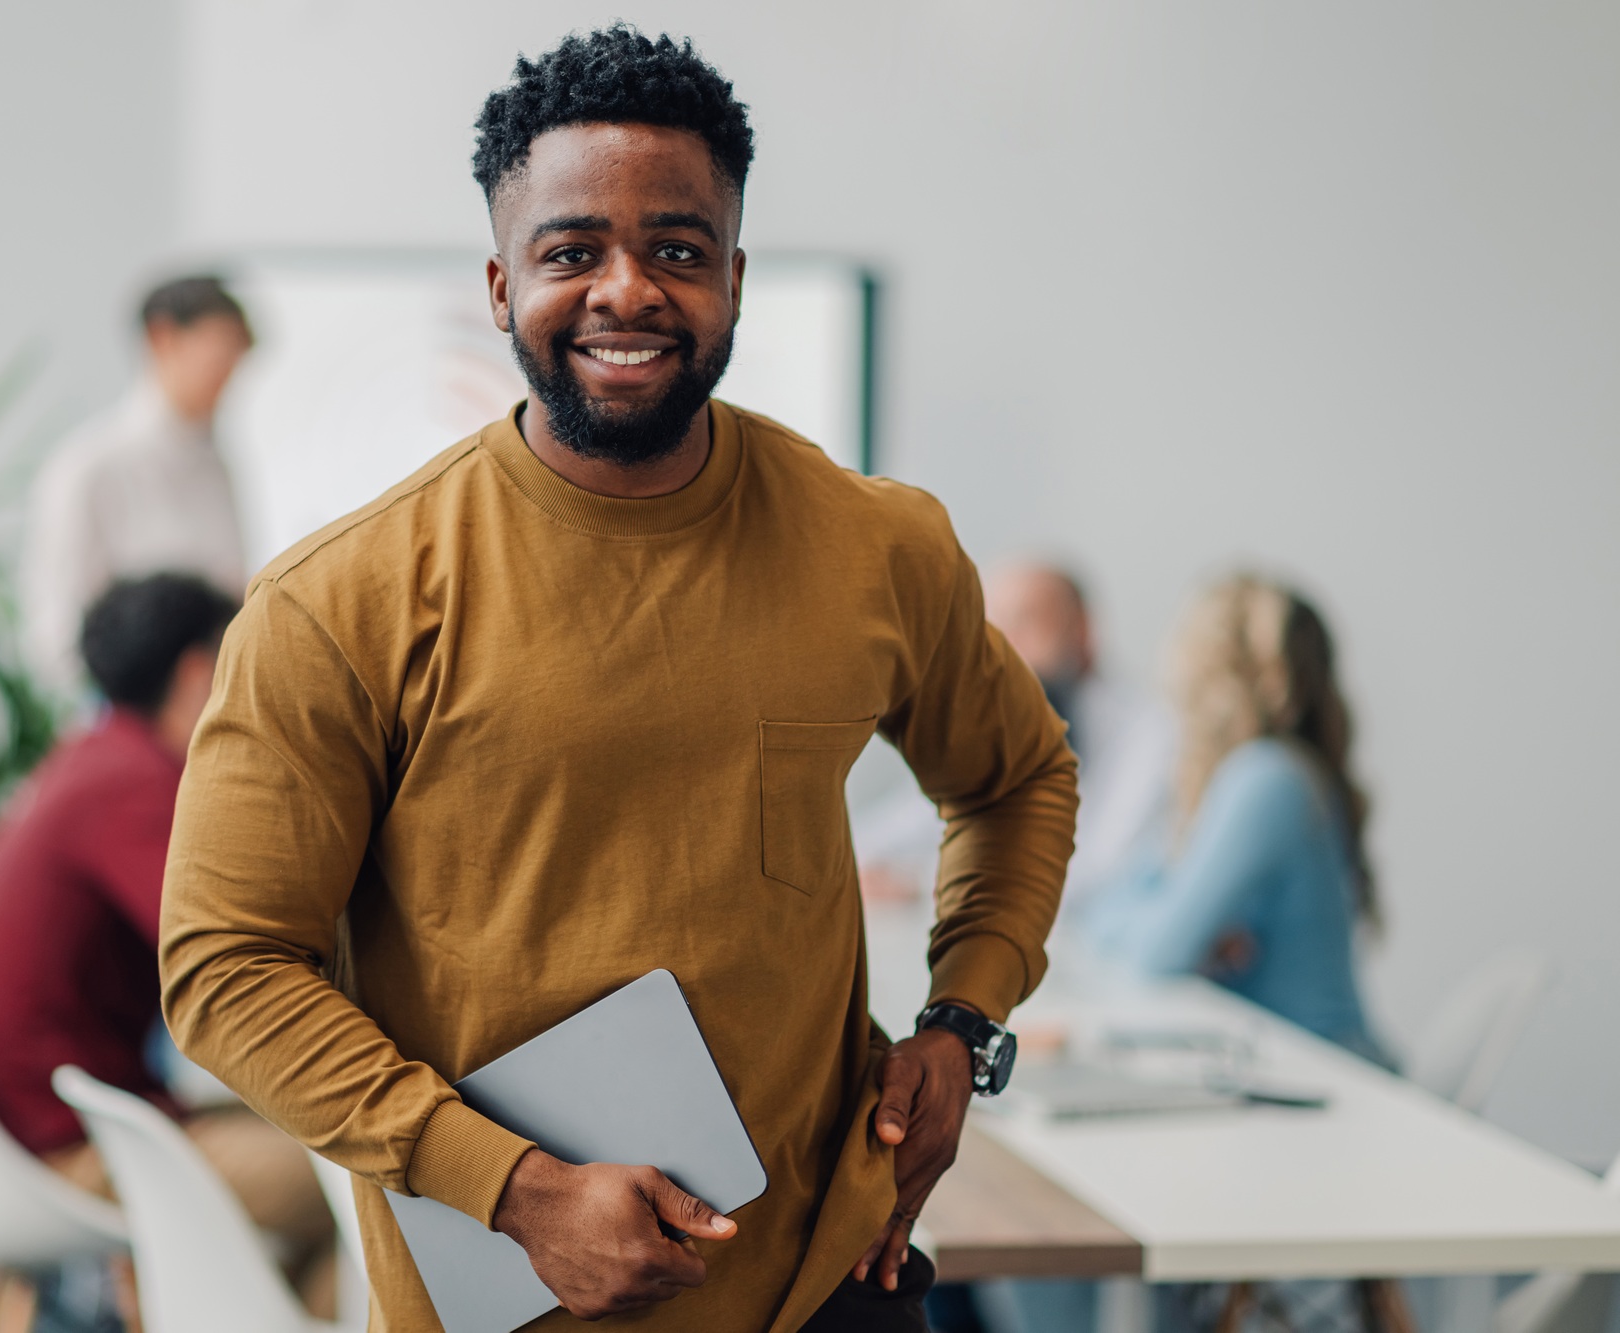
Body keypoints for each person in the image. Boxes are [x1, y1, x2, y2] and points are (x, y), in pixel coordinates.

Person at [158, 25, 1077, 1333]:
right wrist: (516, 1187)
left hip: (828, 1288)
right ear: (498, 286)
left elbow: (1019, 777)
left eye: (679, 250)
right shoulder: (342, 600)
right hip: (513, 1294)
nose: (628, 290)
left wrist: (961, 1019)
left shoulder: (875, 544)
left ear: (737, 279)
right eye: (572, 249)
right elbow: (224, 966)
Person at [0, 574, 334, 1303]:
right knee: (365, 1179)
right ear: (199, 673)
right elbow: (233, 950)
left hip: (45, 1117)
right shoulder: (138, 784)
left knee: (334, 1145)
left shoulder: (93, 758)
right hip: (75, 1144)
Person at [1083, 573, 1383, 1058]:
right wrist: (1175, 923)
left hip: (1327, 1073)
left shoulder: (1266, 778)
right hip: (1281, 1063)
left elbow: (1155, 954)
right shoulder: (1247, 778)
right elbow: (1110, 905)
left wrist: (1173, 925)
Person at [858, 560, 1172, 920]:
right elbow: (878, 836)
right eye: (991, 626)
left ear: (1082, 631)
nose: (1000, 645)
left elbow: (1102, 878)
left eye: (1024, 621)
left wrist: (919, 885)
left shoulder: (1150, 734)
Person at [21, 276, 254, 691]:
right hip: (128, 719)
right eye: (217, 358)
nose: (227, 380)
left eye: (235, 364)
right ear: (162, 338)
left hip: (213, 708)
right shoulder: (88, 467)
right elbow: (54, 634)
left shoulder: (217, 464)